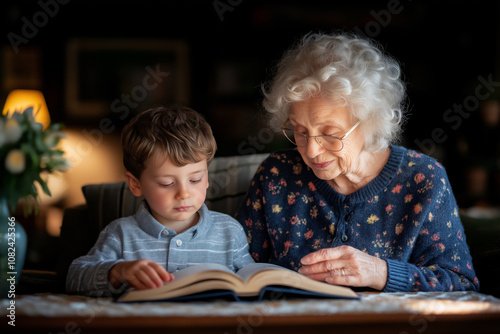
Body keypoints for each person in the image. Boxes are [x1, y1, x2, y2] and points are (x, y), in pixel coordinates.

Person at [236, 32, 479, 292]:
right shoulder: (276, 175)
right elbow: (239, 268)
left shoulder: (423, 179)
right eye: (300, 131)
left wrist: (380, 272)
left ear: (370, 123)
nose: (312, 150)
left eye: (330, 134)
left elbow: (461, 283)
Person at [67, 105, 254, 297]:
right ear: (135, 183)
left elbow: (252, 279)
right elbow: (74, 277)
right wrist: (118, 272)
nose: (184, 193)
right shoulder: (120, 234)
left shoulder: (230, 231)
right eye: (167, 183)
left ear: (206, 179)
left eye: (194, 180)